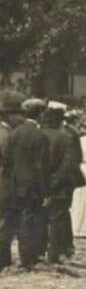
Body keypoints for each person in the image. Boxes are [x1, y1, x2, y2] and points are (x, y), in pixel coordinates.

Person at [0, 93, 49, 270]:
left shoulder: (14, 134)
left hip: (14, 182)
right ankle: (27, 258)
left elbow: (8, 161)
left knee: (14, 219)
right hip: (32, 184)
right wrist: (44, 189)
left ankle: (9, 257)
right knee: (31, 220)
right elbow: (40, 166)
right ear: (40, 114)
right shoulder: (39, 136)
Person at [44, 102, 84, 261]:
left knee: (41, 216)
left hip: (41, 182)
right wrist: (56, 181)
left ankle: (44, 248)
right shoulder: (68, 136)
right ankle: (57, 250)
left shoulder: (40, 135)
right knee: (59, 215)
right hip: (61, 184)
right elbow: (72, 162)